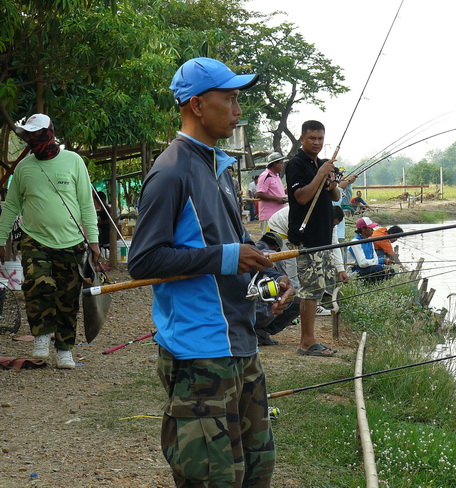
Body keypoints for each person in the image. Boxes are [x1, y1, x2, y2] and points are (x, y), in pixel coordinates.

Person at [127, 57, 295, 488]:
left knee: (257, 469)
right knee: (212, 478)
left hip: (241, 342)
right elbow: (144, 261)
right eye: (231, 98)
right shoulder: (170, 172)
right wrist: (226, 257)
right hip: (200, 350)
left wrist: (270, 279)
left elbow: (240, 245)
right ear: (198, 105)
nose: (239, 109)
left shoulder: (217, 167)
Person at [0, 113, 100, 369]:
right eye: (29, 135)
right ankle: (41, 337)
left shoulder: (74, 161)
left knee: (68, 297)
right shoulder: (24, 168)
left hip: (72, 241)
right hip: (35, 240)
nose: (34, 139)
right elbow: (11, 206)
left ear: (50, 131)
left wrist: (95, 241)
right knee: (37, 285)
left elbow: (86, 204)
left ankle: (65, 349)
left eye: (37, 134)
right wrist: (1, 240)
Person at [285, 120, 340, 357]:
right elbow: (302, 197)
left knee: (318, 289)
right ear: (302, 139)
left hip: (323, 236)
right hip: (307, 238)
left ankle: (311, 339)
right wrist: (319, 174)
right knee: (309, 290)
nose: (317, 143)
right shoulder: (295, 164)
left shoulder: (322, 164)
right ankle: (306, 343)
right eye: (312, 138)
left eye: (320, 138)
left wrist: (332, 181)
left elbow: (335, 195)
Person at [254, 232, 301, 346]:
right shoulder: (274, 256)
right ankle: (261, 333)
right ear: (277, 248)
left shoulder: (248, 251)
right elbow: (283, 285)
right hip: (257, 312)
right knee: (298, 302)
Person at [347, 217, 394, 282]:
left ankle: (378, 285)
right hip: (356, 271)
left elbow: (374, 258)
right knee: (377, 269)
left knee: (391, 271)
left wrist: (383, 266)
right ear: (363, 229)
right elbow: (362, 263)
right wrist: (382, 261)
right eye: (370, 228)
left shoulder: (370, 241)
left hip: (368, 268)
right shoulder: (355, 242)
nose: (373, 230)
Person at [256, 152, 287, 233]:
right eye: (281, 163)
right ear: (274, 164)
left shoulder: (276, 176)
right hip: (269, 216)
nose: (282, 165)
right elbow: (259, 194)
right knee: (270, 241)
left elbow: (275, 192)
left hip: (278, 215)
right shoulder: (265, 176)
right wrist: (277, 199)